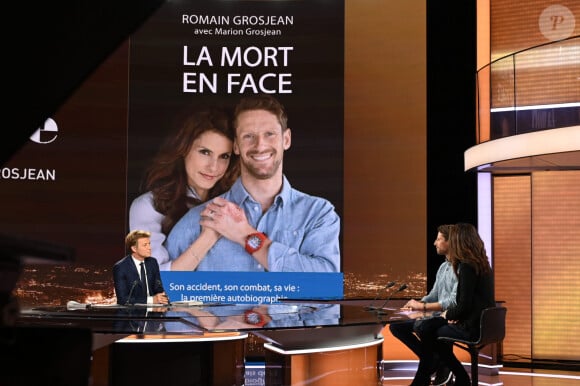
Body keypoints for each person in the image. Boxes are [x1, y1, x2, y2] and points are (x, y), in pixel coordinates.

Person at [165, 94, 341, 271]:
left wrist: (244, 235)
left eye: (269, 134)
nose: (260, 145)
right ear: (236, 145)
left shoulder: (318, 214)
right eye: (249, 136)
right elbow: (163, 293)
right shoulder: (198, 221)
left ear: (286, 139)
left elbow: (325, 288)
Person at [129, 105, 239, 270]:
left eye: (224, 156)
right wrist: (208, 237)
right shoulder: (146, 207)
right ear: (183, 149)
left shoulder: (235, 201)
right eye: (205, 152)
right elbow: (156, 282)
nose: (213, 167)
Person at [410, 223, 495, 386]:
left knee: (427, 329)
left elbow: (463, 305)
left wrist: (446, 315)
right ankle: (458, 377)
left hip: (473, 326)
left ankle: (426, 378)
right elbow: (468, 304)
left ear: (459, 241)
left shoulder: (466, 266)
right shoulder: (482, 264)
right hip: (482, 324)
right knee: (430, 330)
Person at [389, 224, 457, 386]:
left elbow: (453, 302)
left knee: (423, 327)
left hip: (449, 317)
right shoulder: (443, 267)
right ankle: (435, 360)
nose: (435, 243)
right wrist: (417, 304)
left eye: (439, 239)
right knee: (396, 326)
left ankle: (431, 367)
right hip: (434, 314)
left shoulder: (460, 267)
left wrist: (423, 308)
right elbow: (434, 294)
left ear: (451, 243)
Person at [113, 230, 170, 305]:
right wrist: (151, 300)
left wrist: (162, 297)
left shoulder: (152, 262)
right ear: (134, 248)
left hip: (153, 313)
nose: (149, 248)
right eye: (145, 245)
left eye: (149, 244)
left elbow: (158, 287)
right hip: (131, 314)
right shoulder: (121, 267)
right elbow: (122, 299)